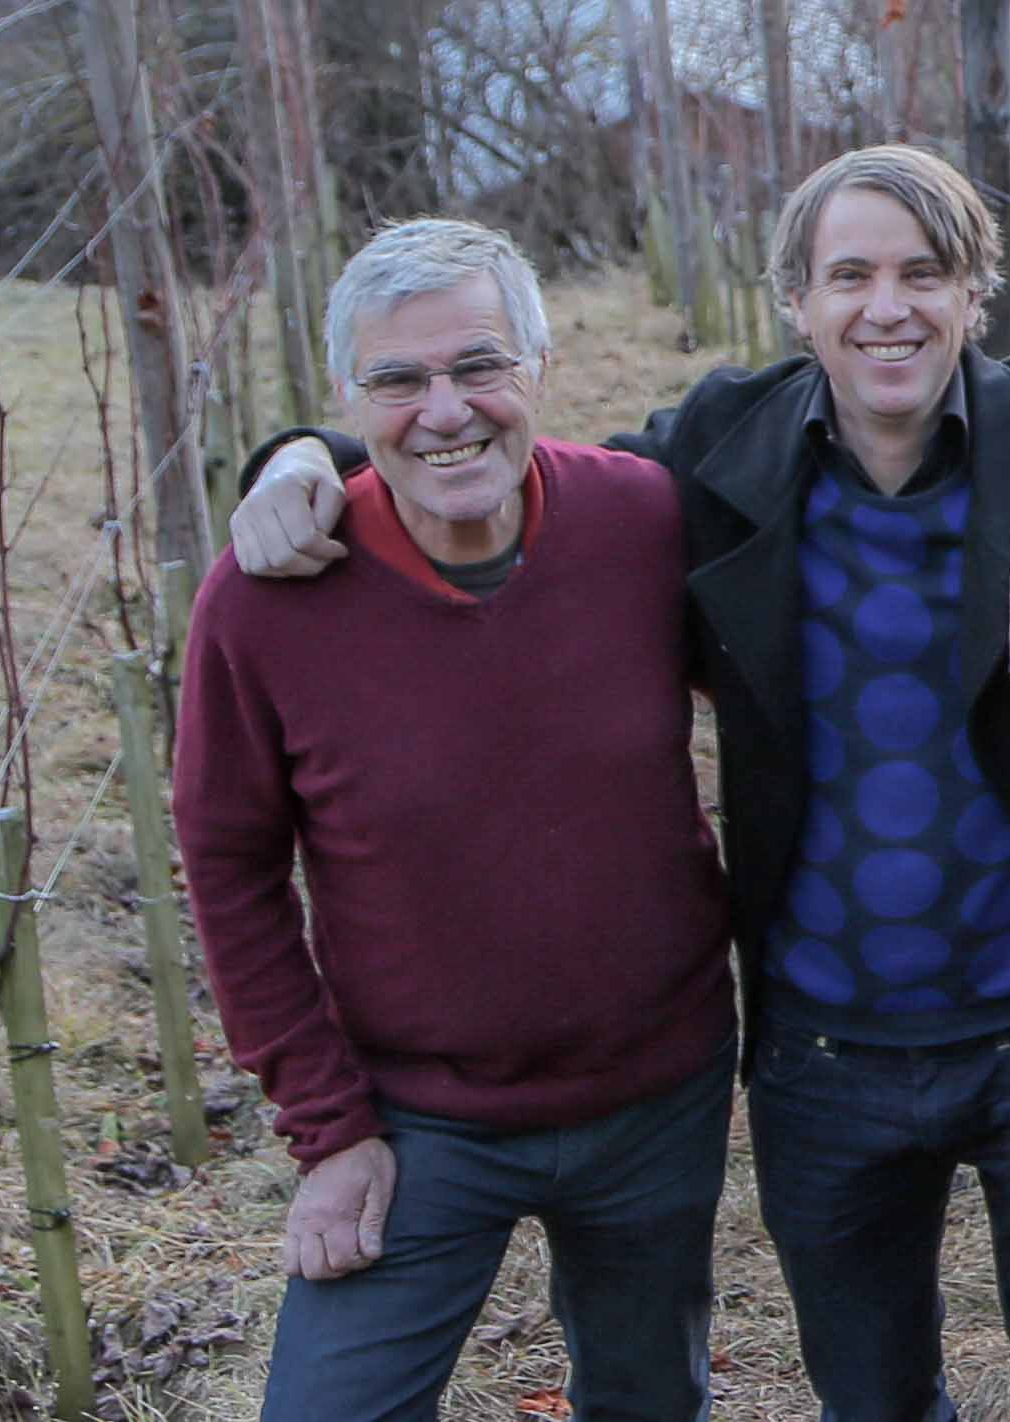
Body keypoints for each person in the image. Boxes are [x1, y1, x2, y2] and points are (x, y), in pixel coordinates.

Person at [227, 145, 1010, 1422]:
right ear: (796, 303)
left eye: (924, 273)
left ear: (973, 294)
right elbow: (488, 449)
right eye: (850, 276)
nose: (888, 308)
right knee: (870, 1398)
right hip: (823, 1053)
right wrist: (297, 457)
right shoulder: (719, 449)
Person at [172, 220, 735, 1420]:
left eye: (480, 365)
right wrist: (328, 1128)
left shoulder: (641, 523)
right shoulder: (266, 601)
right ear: (347, 399)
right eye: (399, 380)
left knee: (649, 1398)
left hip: (658, 1095)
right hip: (412, 1116)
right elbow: (227, 867)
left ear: (542, 369)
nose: (445, 411)